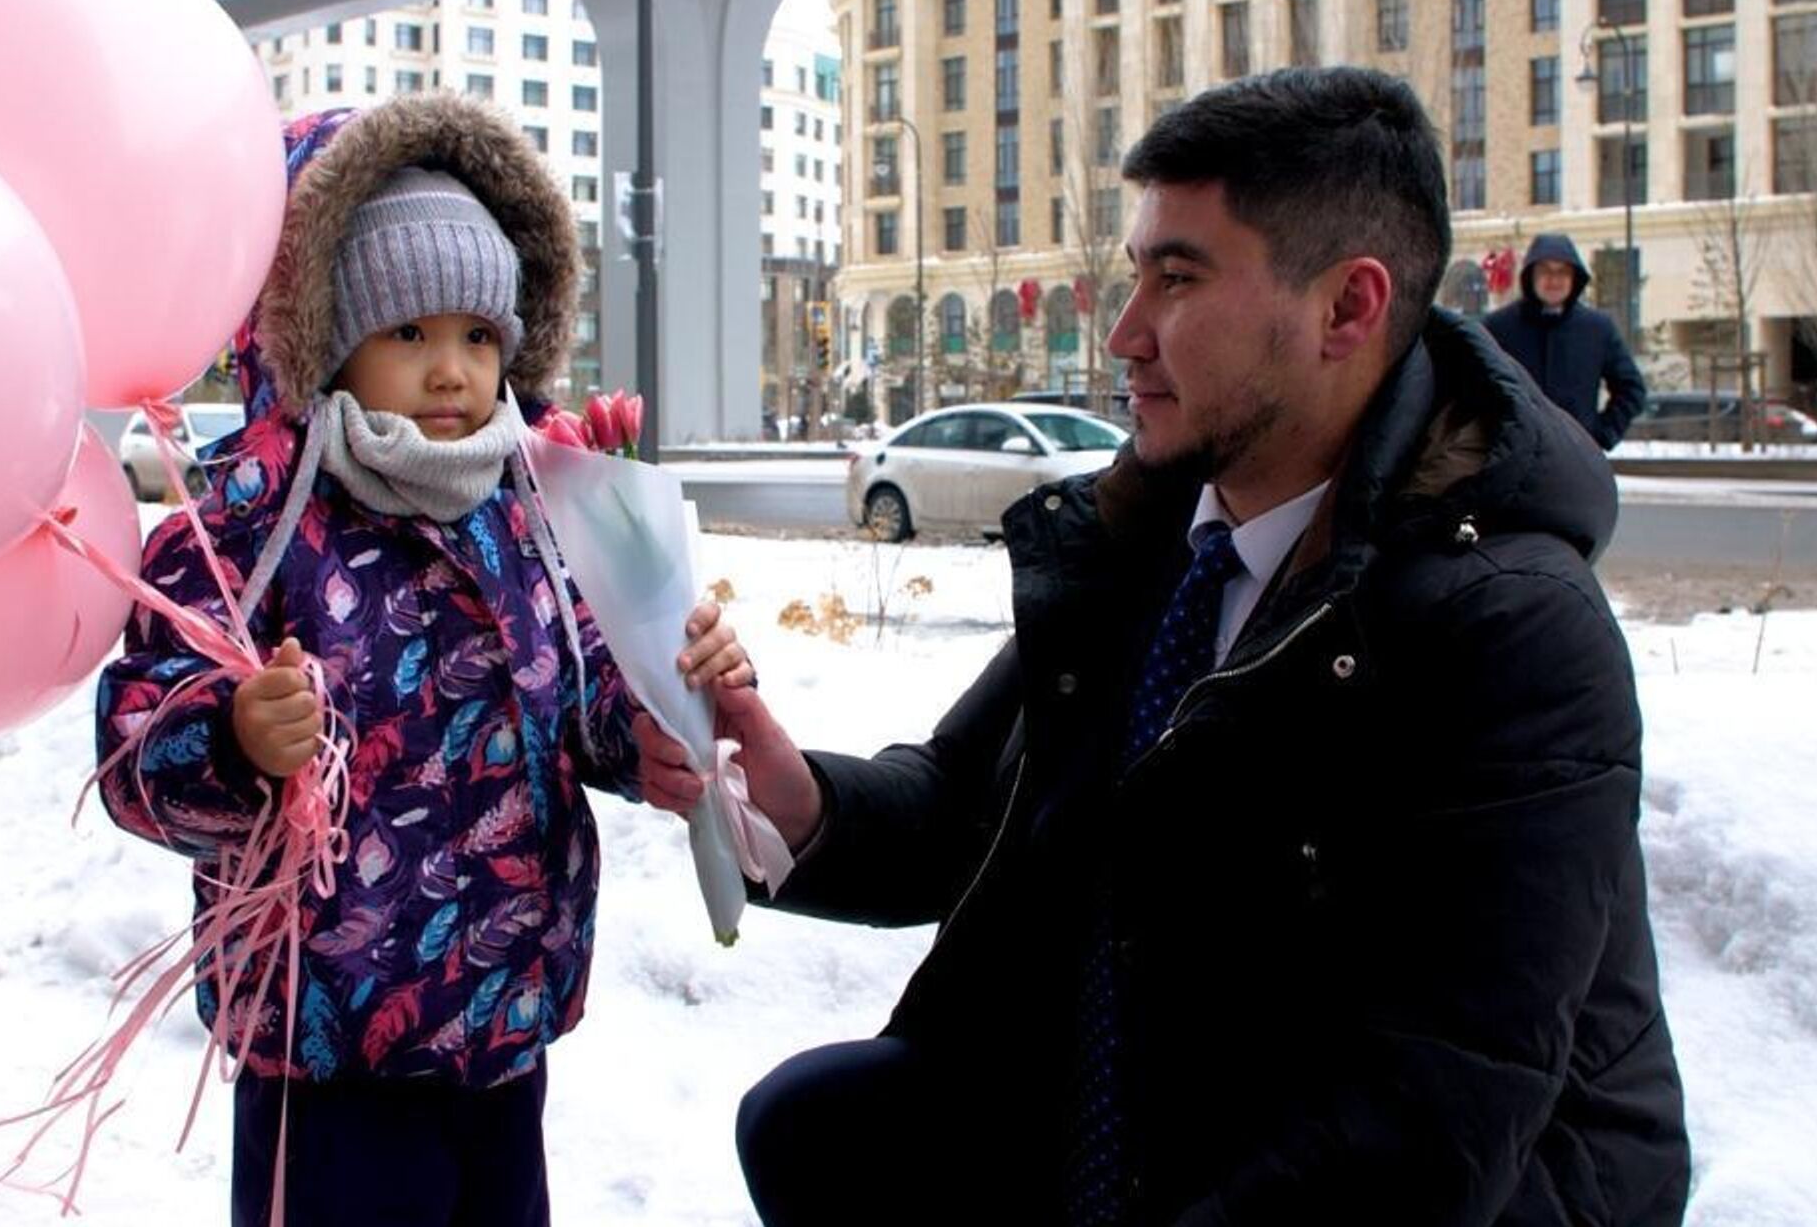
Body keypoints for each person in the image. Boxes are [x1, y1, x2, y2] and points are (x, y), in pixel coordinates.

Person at [639, 68, 1689, 1226]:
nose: (1124, 334)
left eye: (1177, 279)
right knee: (821, 1126)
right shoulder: (1157, 535)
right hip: (1157, 1111)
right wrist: (794, 799)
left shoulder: (1510, 631)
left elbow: (1422, 1126)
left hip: (1406, 1179)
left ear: (1347, 308)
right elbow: (966, 804)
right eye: (1135, 272)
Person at [95, 93, 750, 1227]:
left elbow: (581, 684)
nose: (451, 370)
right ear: (328, 335)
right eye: (408, 333)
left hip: (503, 1022)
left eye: (478, 336)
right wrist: (235, 737)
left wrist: (649, 724)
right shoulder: (254, 519)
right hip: (329, 1049)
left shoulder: (530, 504)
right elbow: (133, 744)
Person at [1480, 233, 1647, 449]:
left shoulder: (1597, 329)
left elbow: (1632, 390)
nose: (1554, 280)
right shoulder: (1498, 328)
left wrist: (1600, 436)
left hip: (1576, 458)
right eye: (1545, 271)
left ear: (1574, 277)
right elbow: (1472, 389)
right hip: (1514, 458)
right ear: (1531, 275)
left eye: (1563, 272)